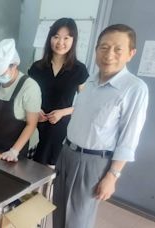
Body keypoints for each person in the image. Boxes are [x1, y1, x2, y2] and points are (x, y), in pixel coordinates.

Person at [52, 24, 149, 228]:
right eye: (104, 47)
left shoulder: (134, 89)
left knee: (78, 219)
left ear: (131, 54)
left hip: (92, 162)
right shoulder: (91, 82)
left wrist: (112, 176)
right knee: (58, 211)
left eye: (117, 49)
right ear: (96, 50)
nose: (109, 54)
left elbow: (128, 139)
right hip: (67, 154)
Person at [28, 18, 89, 165]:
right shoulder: (37, 67)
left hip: (60, 128)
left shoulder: (79, 70)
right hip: (34, 123)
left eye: (66, 38)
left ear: (73, 41)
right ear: (50, 38)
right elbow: (27, 95)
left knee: (49, 169)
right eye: (56, 37)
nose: (60, 42)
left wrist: (62, 112)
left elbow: (85, 103)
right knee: (28, 165)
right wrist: (35, 110)